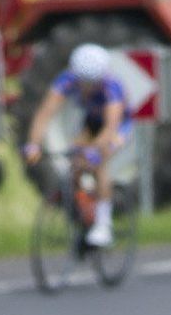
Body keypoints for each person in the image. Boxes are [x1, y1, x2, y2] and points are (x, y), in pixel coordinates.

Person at [22, 43, 129, 248]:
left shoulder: (111, 86)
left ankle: (104, 224)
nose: (86, 87)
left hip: (117, 126)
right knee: (75, 161)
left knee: (98, 161)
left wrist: (93, 150)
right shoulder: (68, 79)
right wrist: (33, 145)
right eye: (83, 82)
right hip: (90, 122)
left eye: (91, 83)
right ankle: (83, 209)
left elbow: (110, 128)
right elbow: (45, 113)